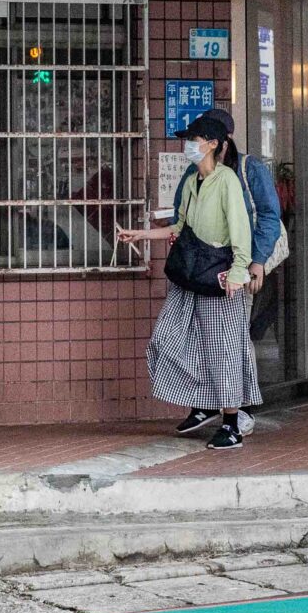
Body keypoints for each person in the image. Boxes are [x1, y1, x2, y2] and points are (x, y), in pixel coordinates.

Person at [120, 107, 263, 449]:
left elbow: (241, 233)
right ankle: (204, 403)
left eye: (195, 140)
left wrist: (239, 274)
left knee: (224, 351)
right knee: (169, 339)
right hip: (190, 277)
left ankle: (231, 423)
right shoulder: (191, 181)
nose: (189, 145)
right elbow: (180, 227)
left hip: (220, 279)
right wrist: (140, 235)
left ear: (212, 144)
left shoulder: (227, 181)